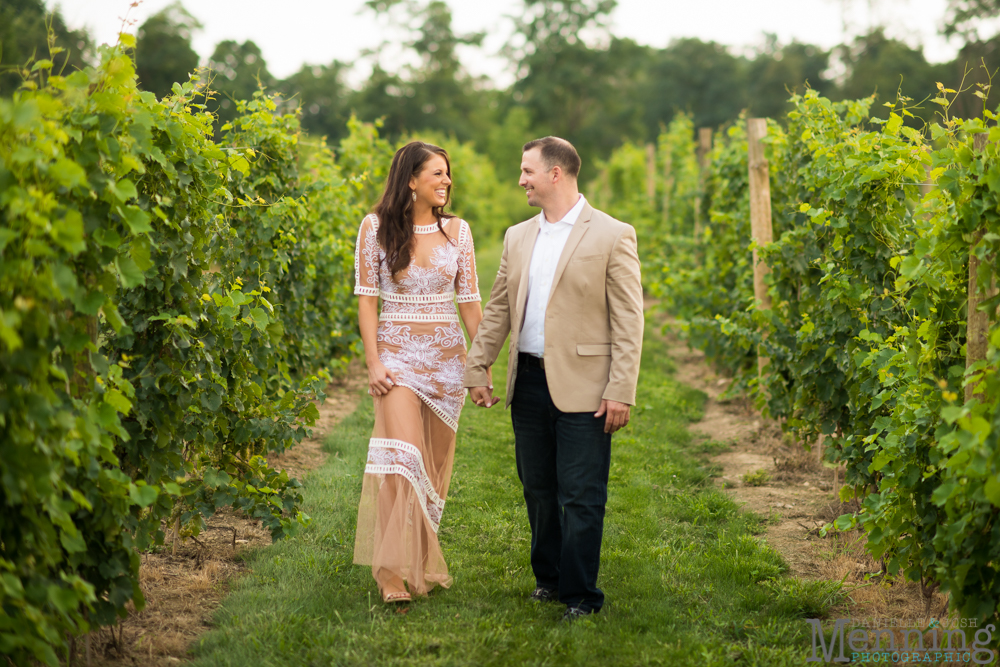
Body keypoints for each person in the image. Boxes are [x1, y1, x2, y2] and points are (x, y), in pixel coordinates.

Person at [464, 137, 643, 621]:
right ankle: (549, 578)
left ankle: (582, 595)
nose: (521, 180)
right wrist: (477, 365)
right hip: (529, 382)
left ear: (556, 173)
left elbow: (629, 320)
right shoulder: (517, 237)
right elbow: (499, 307)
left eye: (527, 171)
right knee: (538, 488)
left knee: (582, 494)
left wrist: (620, 389)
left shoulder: (611, 234)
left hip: (587, 386)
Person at [352, 141, 484, 604]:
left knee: (431, 469)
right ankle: (390, 575)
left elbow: (469, 300)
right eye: (437, 174)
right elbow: (367, 300)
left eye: (448, 174)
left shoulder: (458, 231)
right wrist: (373, 361)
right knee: (399, 460)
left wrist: (480, 365)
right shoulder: (375, 228)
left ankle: (416, 560)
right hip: (396, 359)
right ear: (411, 179)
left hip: (448, 364)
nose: (447, 181)